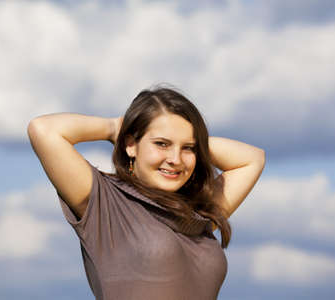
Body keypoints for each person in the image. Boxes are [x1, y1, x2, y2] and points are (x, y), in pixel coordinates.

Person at [27, 86, 265, 300]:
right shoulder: (106, 202)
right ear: (130, 144)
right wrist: (113, 127)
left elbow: (253, 159)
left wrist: (189, 140)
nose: (175, 159)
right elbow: (44, 130)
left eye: (188, 148)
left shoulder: (198, 212)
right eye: (161, 144)